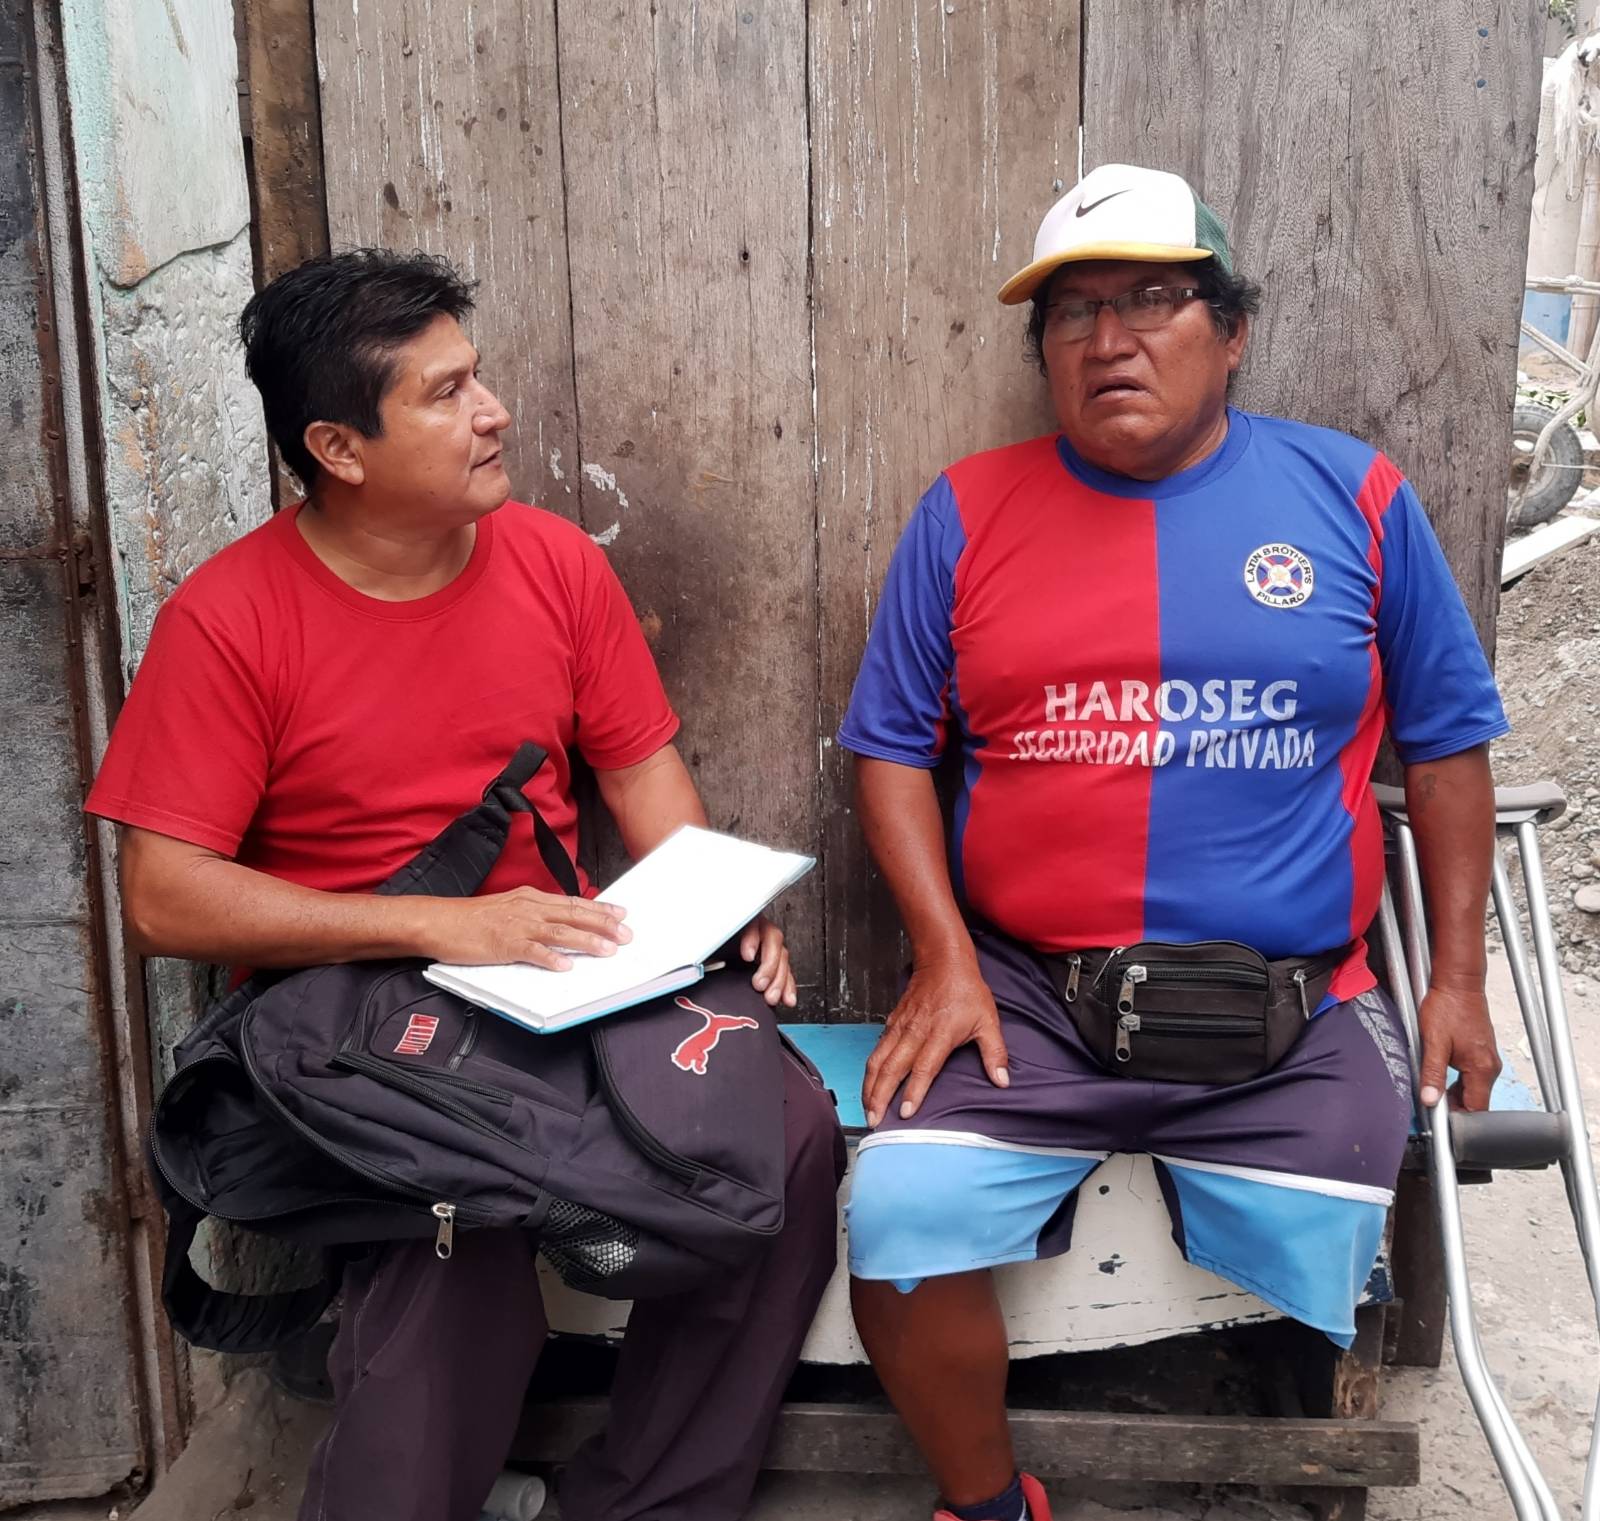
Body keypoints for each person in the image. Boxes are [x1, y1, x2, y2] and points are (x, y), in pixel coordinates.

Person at [85, 249, 844, 1521]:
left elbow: (639, 770)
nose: (492, 413)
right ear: (339, 447)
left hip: (560, 969)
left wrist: (712, 900)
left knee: (784, 1132)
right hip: (359, 1017)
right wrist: (442, 924)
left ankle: (655, 1499)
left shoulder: (554, 563)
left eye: (476, 378)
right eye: (445, 394)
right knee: (452, 1230)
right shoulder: (230, 620)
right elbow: (164, 900)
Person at [836, 163, 1509, 1521]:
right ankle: (987, 1502)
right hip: (1023, 994)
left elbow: (1445, 750)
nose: (1109, 339)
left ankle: (1285, 1461)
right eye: (1073, 313)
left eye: (1152, 299)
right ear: (1044, 352)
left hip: (1296, 1002)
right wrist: (945, 957)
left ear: (1232, 331)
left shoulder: (1356, 498)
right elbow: (889, 747)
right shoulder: (967, 509)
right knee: (897, 1226)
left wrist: (1455, 979)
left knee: (1334, 1240)